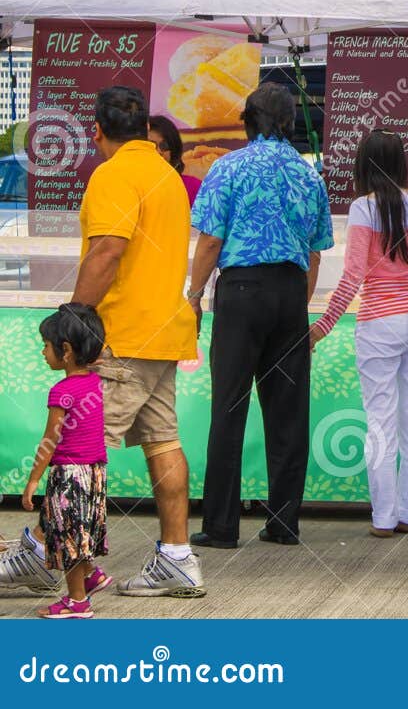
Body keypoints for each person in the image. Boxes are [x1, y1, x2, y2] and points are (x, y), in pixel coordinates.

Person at [0, 85, 204, 600]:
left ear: (96, 131)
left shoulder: (113, 174)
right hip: (166, 332)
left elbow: (108, 250)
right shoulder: (167, 176)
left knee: (74, 450)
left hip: (121, 336)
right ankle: (177, 558)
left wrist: (73, 319)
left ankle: (42, 555)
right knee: (163, 441)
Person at [189, 82, 332, 550]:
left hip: (242, 290)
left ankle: (221, 526)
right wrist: (297, 301)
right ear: (290, 123)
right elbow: (315, 254)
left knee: (229, 406)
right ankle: (284, 521)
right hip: (290, 292)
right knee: (288, 413)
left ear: (247, 120)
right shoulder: (310, 176)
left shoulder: (227, 167)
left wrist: (193, 294)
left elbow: (210, 240)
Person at [309, 130, 408, 537]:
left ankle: (383, 518)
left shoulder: (362, 208)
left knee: (380, 422)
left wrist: (321, 327)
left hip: (378, 323)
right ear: (400, 163)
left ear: (362, 165)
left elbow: (353, 275)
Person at [20, 305, 109, 619]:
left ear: (66, 351)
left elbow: (50, 441)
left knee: (67, 537)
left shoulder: (62, 391)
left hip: (69, 475)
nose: (43, 352)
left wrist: (33, 480)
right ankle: (91, 575)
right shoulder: (97, 384)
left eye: (46, 345)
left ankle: (77, 602)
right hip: (95, 472)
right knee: (83, 528)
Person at [148, 114, 202, 205]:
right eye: (152, 145)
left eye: (164, 146)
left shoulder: (193, 186)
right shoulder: (129, 186)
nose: (159, 151)